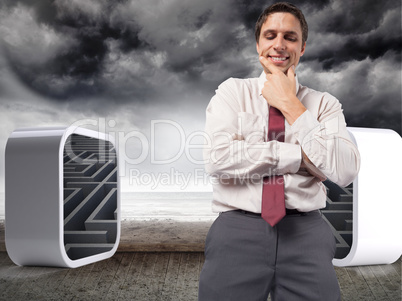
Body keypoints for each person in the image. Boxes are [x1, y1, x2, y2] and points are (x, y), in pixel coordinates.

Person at [198, 2, 360, 301]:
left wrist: (290, 104)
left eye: (290, 37)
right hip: (237, 230)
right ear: (258, 42)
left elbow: (345, 170)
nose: (279, 45)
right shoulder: (233, 92)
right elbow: (218, 158)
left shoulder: (324, 104)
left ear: (302, 47)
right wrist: (300, 157)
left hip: (306, 232)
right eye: (270, 35)